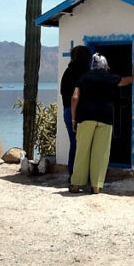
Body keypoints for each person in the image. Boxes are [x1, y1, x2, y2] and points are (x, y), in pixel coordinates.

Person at [69, 53, 134, 194]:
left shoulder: (84, 78)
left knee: (82, 151)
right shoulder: (110, 77)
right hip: (105, 117)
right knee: (100, 152)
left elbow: (75, 97)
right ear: (105, 65)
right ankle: (96, 186)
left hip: (85, 117)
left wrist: (73, 119)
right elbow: (125, 81)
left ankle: (76, 185)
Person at [59, 45, 92, 177]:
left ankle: (73, 174)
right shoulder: (86, 74)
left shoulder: (67, 72)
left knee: (75, 143)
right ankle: (83, 174)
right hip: (81, 112)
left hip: (67, 111)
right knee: (86, 144)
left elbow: (63, 93)